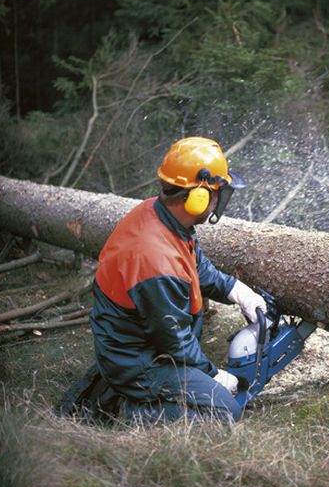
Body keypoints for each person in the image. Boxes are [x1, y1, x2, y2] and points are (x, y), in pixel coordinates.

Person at [89, 136, 266, 423]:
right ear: (199, 197)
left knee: (219, 398)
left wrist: (237, 291)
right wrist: (212, 374)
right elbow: (173, 339)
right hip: (140, 361)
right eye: (217, 193)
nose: (219, 201)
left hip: (140, 345)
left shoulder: (160, 216)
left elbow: (197, 269)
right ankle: (127, 410)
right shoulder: (154, 260)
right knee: (225, 412)